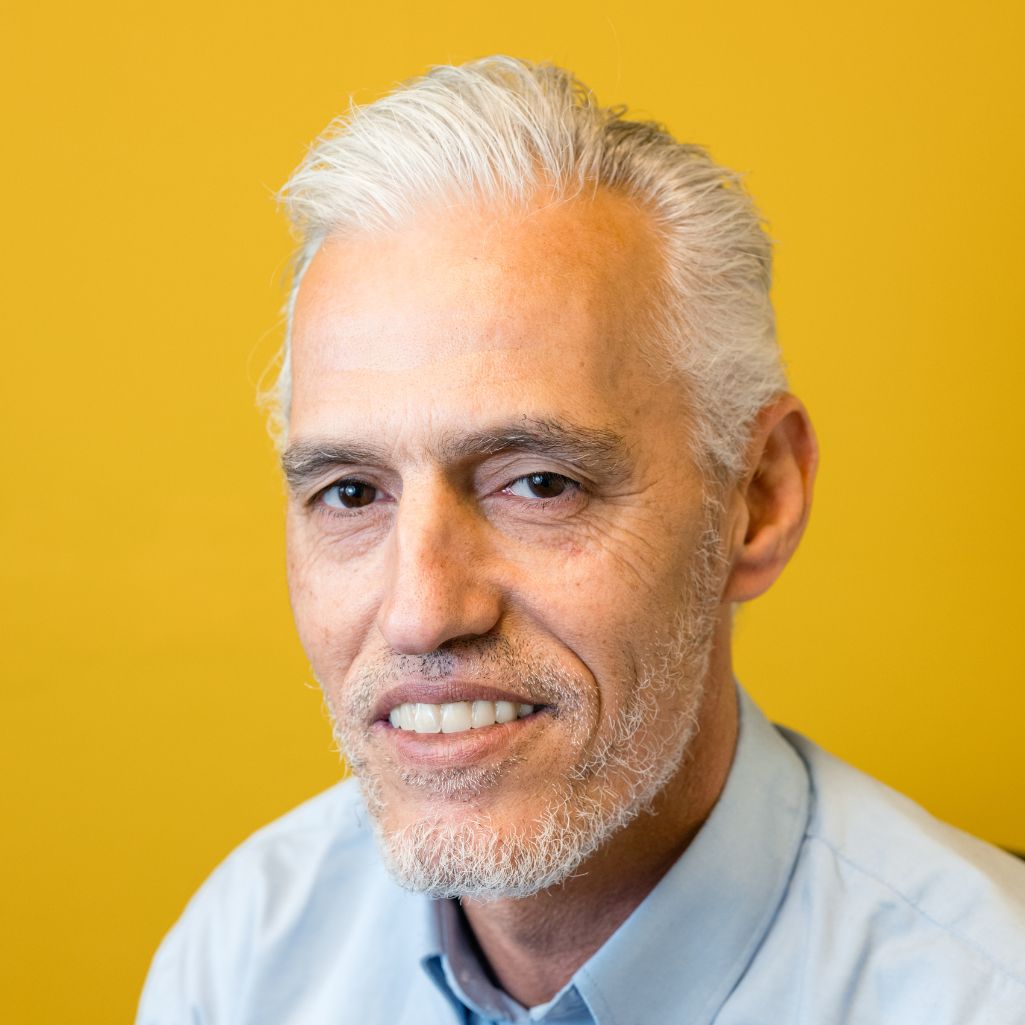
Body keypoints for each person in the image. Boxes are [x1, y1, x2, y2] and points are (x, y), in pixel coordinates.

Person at [136, 57, 1025, 1024]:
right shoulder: (241, 962)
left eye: (540, 483)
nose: (423, 610)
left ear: (757, 498)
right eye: (352, 492)